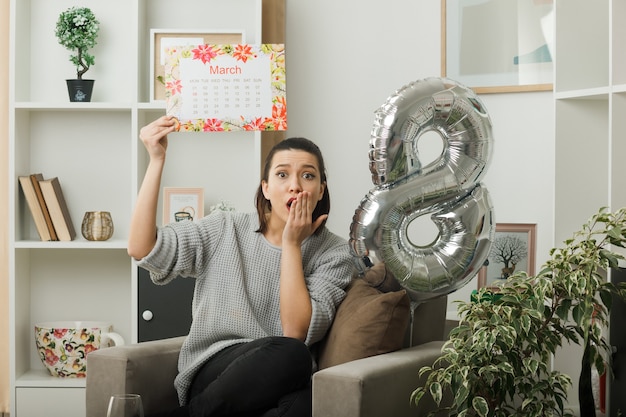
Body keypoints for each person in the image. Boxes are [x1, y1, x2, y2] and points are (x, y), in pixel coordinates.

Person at [128, 115, 355, 417]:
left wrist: (292, 245)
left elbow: (295, 330)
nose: (296, 187)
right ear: (265, 188)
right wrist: (156, 160)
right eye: (283, 175)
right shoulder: (225, 228)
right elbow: (142, 248)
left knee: (307, 402)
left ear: (321, 190)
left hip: (281, 379)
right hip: (215, 372)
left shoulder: (336, 253)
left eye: (308, 176)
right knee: (292, 356)